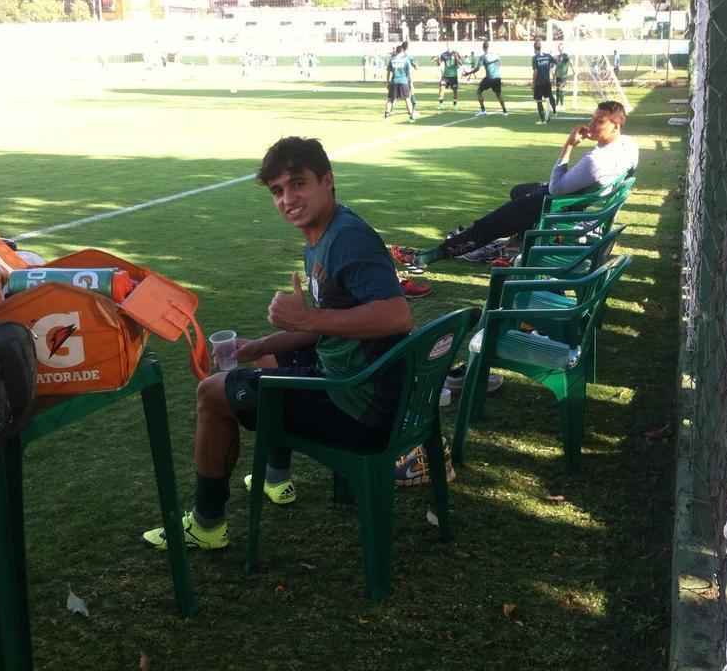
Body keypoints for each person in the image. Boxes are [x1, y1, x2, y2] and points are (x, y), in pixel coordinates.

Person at [143, 137, 413, 550]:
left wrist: (308, 317)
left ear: (327, 181)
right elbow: (325, 327)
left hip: (358, 408)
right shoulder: (325, 234)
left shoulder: (349, 240)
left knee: (212, 394)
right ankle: (274, 477)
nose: (288, 199)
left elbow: (398, 315)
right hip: (360, 384)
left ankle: (207, 524)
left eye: (298, 184)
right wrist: (256, 346)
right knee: (271, 355)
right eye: (277, 191)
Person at [410, 101, 636, 266]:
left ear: (616, 126)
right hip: (579, 199)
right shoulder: (628, 145)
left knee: (488, 225)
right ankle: (519, 241)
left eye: (600, 121)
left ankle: (437, 254)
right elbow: (632, 169)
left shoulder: (595, 161)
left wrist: (568, 146)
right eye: (593, 119)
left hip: (557, 203)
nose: (592, 125)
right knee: (518, 190)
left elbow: (556, 188)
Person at [464, 39, 508, 116]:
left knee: (478, 92)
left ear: (483, 48)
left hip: (489, 78)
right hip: (497, 78)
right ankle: (505, 111)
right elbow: (499, 64)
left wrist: (468, 73)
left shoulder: (483, 57)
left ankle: (483, 110)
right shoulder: (496, 55)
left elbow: (477, 69)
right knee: (498, 94)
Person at [385, 43, 417, 121]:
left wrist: (387, 82)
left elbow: (388, 72)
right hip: (403, 81)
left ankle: (387, 113)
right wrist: (411, 83)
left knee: (390, 99)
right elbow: (409, 72)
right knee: (407, 99)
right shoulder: (405, 59)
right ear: (402, 51)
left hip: (394, 81)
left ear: (396, 51)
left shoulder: (392, 59)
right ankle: (411, 115)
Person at [531, 39, 557, 124]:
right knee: (549, 98)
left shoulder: (535, 58)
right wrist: (551, 69)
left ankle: (543, 120)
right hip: (547, 81)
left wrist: (533, 83)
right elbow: (556, 62)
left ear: (534, 48)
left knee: (539, 101)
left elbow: (535, 71)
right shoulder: (548, 56)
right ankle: (554, 112)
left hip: (539, 83)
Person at [435, 42, 463, 110]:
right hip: (445, 76)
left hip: (453, 76)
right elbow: (439, 64)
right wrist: (438, 59)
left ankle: (455, 105)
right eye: (448, 46)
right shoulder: (443, 54)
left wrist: (457, 58)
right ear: (446, 46)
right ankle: (440, 104)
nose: (449, 47)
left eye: (450, 46)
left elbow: (461, 63)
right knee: (441, 88)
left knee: (455, 91)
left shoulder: (456, 53)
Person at [555, 43, 572, 111]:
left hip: (563, 76)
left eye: (561, 47)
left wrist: (573, 70)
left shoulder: (565, 56)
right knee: (557, 90)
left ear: (563, 48)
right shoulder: (558, 56)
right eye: (559, 47)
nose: (559, 48)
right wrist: (554, 75)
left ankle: (562, 104)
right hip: (558, 76)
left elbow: (569, 62)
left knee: (560, 89)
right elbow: (557, 66)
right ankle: (557, 104)